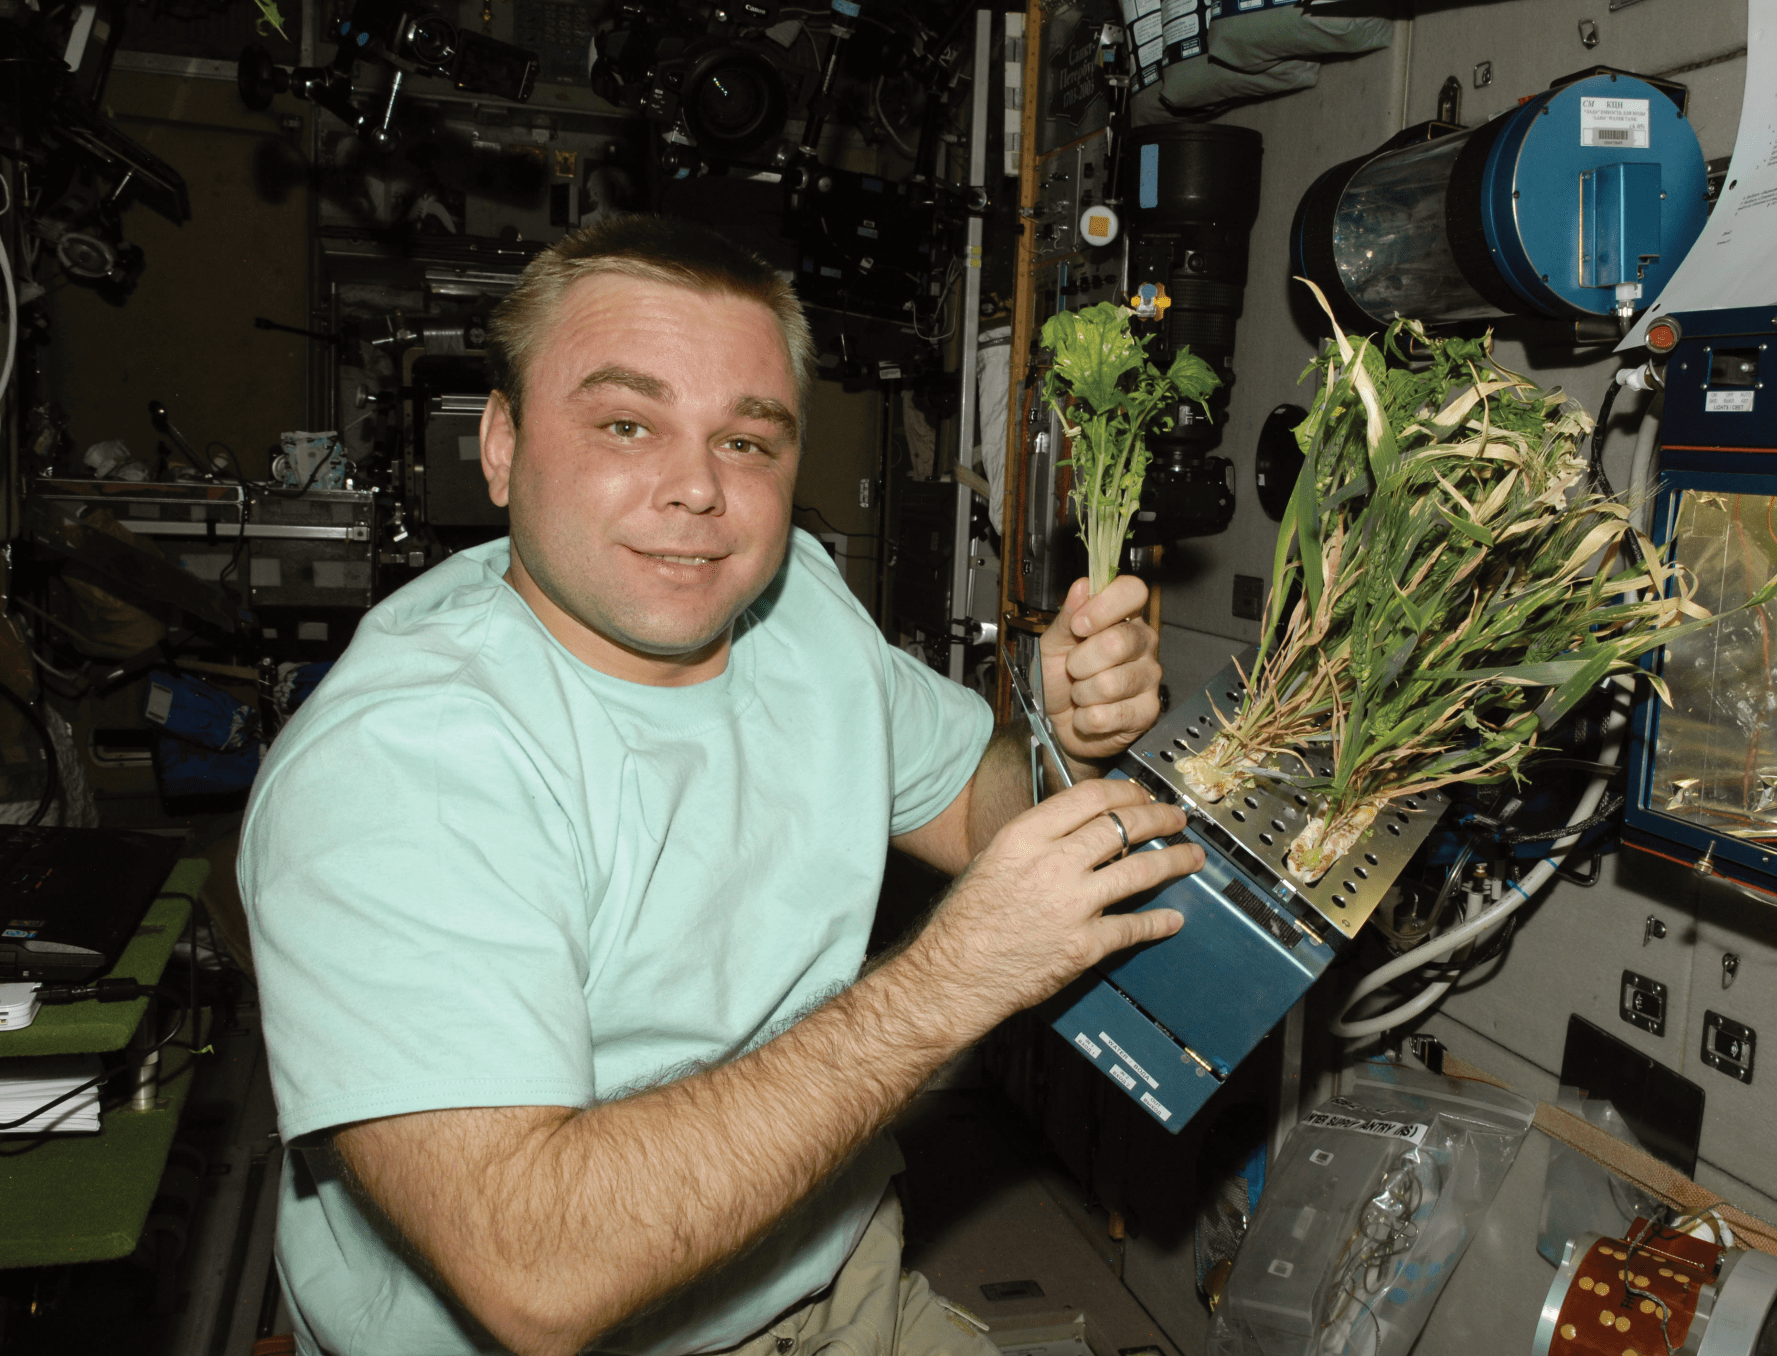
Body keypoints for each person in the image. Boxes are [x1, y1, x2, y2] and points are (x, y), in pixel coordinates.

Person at [241, 215, 1205, 1356]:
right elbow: (535, 1274)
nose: (697, 490)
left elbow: (969, 805)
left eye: (747, 442)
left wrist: (1062, 738)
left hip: (841, 1274)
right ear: (499, 445)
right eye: (625, 424)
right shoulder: (400, 764)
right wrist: (950, 982)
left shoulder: (790, 596)